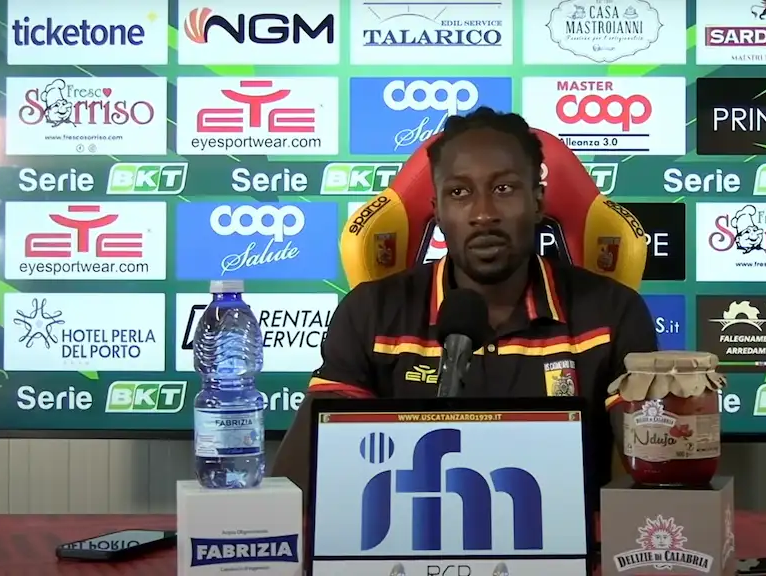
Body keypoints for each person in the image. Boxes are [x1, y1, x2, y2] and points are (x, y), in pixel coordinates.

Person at [269, 107, 657, 492]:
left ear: (538, 201)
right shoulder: (371, 313)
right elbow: (297, 485)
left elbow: (656, 467)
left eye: (504, 189)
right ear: (437, 212)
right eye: (459, 192)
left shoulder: (612, 314)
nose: (483, 214)